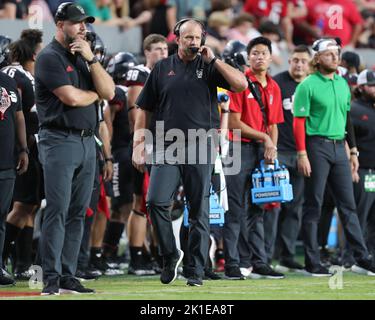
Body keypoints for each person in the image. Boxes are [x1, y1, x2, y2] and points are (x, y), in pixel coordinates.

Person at [133, 18, 247, 287]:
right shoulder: (161, 68)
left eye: (197, 38)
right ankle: (170, 253)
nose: (193, 42)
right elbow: (144, 110)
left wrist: (215, 61)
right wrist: (139, 144)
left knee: (199, 211)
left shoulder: (209, 66)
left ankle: (195, 270)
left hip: (201, 144)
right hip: (166, 145)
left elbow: (240, 85)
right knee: (156, 202)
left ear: (203, 39)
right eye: (188, 38)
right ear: (177, 38)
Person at [35, 2, 115, 295]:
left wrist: (92, 60)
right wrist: (93, 93)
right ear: (60, 25)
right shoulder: (49, 57)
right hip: (58, 139)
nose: (82, 27)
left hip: (86, 140)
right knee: (58, 210)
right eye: (76, 22)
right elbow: (70, 97)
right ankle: (51, 277)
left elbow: (109, 92)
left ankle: (69, 274)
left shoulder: (84, 56)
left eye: (84, 23)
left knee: (78, 212)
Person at [293, 38, 375, 276]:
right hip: (316, 145)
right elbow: (298, 123)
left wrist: (353, 150)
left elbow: (346, 118)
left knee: (348, 206)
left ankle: (360, 257)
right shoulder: (307, 85)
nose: (335, 57)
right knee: (314, 205)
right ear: (317, 58)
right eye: (329, 54)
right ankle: (312, 260)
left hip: (340, 147)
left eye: (336, 53)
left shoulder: (341, 83)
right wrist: (302, 153)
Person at [224, 36, 285, 280]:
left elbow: (274, 124)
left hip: (261, 150)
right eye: (255, 53)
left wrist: (272, 150)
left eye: (264, 53)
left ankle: (260, 261)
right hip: (237, 148)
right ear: (248, 58)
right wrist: (266, 139)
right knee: (235, 208)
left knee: (258, 208)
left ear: (271, 58)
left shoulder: (274, 86)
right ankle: (232, 263)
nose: (259, 57)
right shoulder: (240, 82)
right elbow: (235, 123)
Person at [264, 45, 311, 272]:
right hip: (280, 151)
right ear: (288, 61)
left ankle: (287, 254)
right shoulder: (277, 83)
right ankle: (265, 255)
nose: (299, 64)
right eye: (295, 60)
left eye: (303, 61)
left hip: (303, 154)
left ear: (310, 64)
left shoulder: (312, 85)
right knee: (273, 205)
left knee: (296, 206)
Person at [1, 29, 43, 281]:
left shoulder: (13, 73)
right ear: (33, 52)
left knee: (30, 205)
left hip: (23, 146)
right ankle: (5, 257)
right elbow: (23, 114)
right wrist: (25, 147)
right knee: (23, 204)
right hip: (23, 146)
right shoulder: (20, 75)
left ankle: (22, 262)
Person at [342, 69, 375, 266]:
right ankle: (349, 258)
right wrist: (351, 167)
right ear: (361, 87)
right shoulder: (353, 109)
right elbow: (346, 139)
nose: (374, 88)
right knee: (359, 217)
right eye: (371, 85)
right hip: (363, 171)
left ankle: (369, 257)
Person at [0, 71, 28, 286]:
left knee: (1, 216)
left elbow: (18, 115)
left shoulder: (8, 81)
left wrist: (23, 149)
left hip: (5, 161)